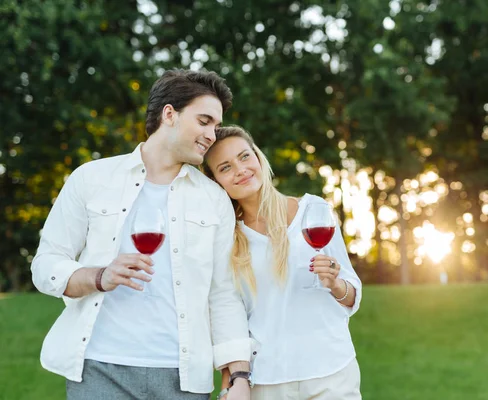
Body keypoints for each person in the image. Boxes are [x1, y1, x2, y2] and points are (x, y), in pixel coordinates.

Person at [31, 70, 253, 400]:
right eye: (204, 121)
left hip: (183, 377)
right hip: (99, 368)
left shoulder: (214, 198)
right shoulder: (91, 179)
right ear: (169, 114)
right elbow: (46, 264)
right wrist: (100, 275)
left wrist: (238, 376)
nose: (211, 135)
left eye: (215, 126)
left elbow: (222, 294)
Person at [204, 125, 362, 400]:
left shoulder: (314, 212)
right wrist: (230, 383)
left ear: (258, 157)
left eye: (244, 157)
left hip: (332, 372)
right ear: (216, 181)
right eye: (225, 167)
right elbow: (229, 314)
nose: (240, 170)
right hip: (267, 379)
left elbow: (351, 295)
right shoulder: (225, 239)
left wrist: (336, 284)